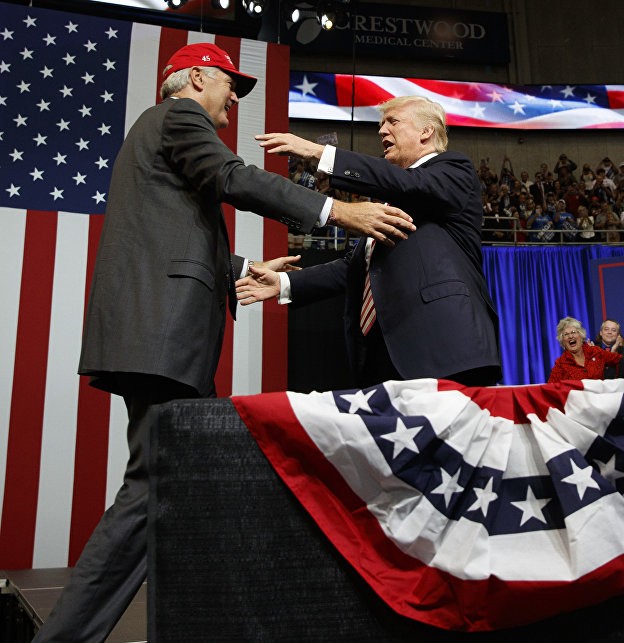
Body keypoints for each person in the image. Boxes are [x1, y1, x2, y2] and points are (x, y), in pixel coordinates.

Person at [34, 43, 415, 643]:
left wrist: (241, 267)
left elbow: (168, 234)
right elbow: (233, 177)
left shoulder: (158, 130)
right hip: (160, 336)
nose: (234, 95)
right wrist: (337, 211)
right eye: (228, 82)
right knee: (159, 486)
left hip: (156, 334)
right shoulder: (179, 116)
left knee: (175, 487)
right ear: (193, 78)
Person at [237, 96, 502, 387]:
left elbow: (408, 183)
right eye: (381, 124)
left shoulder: (454, 169)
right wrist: (284, 283)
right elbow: (353, 267)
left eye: (393, 122)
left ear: (426, 131)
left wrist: (319, 153)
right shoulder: (389, 204)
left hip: (445, 347)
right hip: (386, 356)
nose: (382, 130)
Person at [548, 317, 623, 383]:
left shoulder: (595, 352)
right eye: (566, 334)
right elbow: (550, 389)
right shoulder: (560, 364)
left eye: (573, 332)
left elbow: (620, 360)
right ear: (563, 341)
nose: (570, 336)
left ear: (581, 335)